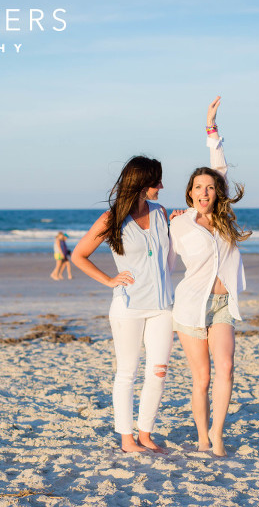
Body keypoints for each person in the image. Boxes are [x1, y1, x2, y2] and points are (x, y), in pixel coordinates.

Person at [71, 156, 174, 453]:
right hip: (128, 306)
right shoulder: (111, 218)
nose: (161, 186)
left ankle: (145, 434)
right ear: (141, 184)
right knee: (127, 372)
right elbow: (79, 255)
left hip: (163, 306)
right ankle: (127, 439)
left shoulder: (161, 213)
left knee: (158, 370)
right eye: (156, 181)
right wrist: (109, 280)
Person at [170, 96, 251, 457]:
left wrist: (211, 127)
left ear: (216, 191)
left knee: (227, 369)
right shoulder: (177, 224)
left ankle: (218, 435)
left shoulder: (222, 219)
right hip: (189, 309)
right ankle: (201, 437)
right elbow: (164, 266)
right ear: (189, 193)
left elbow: (219, 165)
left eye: (210, 187)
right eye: (198, 187)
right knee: (200, 378)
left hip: (223, 304)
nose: (205, 192)